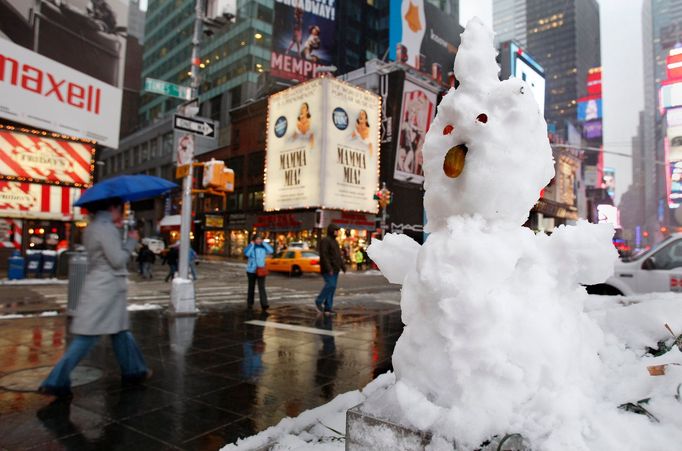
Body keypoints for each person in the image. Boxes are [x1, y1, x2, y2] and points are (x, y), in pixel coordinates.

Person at [38, 197, 150, 399]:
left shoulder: (93, 227)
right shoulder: (104, 228)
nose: (123, 212)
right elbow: (117, 260)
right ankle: (55, 381)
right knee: (87, 338)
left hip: (105, 287)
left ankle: (135, 370)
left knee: (120, 332)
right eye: (121, 207)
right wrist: (132, 240)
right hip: (105, 290)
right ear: (112, 207)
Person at [315, 224, 346, 315]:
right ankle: (319, 301)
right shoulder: (325, 240)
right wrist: (329, 268)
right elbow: (324, 256)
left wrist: (342, 266)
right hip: (328, 269)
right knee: (330, 285)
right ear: (332, 231)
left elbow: (338, 256)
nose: (338, 232)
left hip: (335, 269)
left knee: (332, 288)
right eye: (336, 230)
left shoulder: (335, 242)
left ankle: (328, 307)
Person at [244, 234, 273, 311]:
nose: (259, 240)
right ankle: (250, 303)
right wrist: (252, 245)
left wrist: (264, 243)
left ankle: (264, 304)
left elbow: (271, 251)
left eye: (260, 239)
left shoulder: (264, 247)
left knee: (262, 288)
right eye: (257, 239)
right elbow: (247, 254)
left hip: (261, 270)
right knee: (251, 287)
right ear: (254, 240)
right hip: (251, 271)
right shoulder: (250, 246)